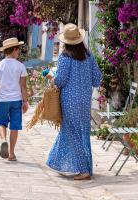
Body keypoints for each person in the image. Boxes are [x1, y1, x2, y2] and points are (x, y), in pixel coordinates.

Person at [46, 23, 101, 180]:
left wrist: (52, 78)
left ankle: (84, 170)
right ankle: (84, 167)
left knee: (72, 133)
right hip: (84, 101)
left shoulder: (65, 57)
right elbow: (97, 80)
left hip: (69, 100)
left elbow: (61, 81)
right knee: (82, 133)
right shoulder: (89, 56)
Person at [0, 37, 29, 161]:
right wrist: (25, 101)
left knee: (1, 123)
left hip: (2, 100)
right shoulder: (20, 66)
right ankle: (11, 154)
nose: (18, 52)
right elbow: (23, 86)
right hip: (16, 100)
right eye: (18, 50)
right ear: (14, 50)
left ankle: (3, 140)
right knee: (14, 126)